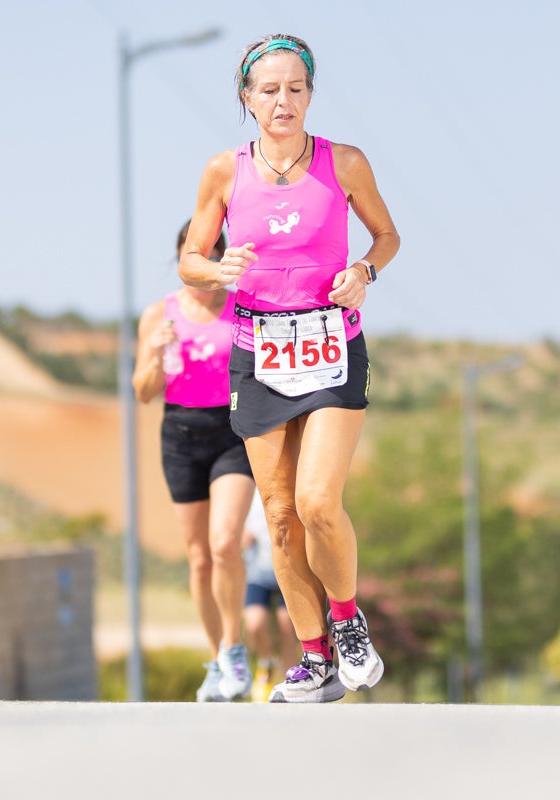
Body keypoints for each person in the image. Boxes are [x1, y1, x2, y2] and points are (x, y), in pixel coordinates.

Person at [179, 34, 400, 703]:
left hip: (332, 345)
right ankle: (314, 662)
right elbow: (191, 256)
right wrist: (217, 270)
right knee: (278, 516)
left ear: (310, 93)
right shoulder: (224, 170)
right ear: (247, 98)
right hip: (260, 352)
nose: (283, 101)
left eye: (295, 88)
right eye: (269, 90)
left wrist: (364, 271)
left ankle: (346, 621)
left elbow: (387, 236)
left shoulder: (346, 162)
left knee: (316, 501)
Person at [132, 221, 256, 702]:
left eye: (211, 253)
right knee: (199, 558)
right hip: (180, 435)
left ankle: (234, 645)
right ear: (182, 258)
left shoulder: (241, 309)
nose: (201, 262)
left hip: (231, 432)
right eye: (193, 252)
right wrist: (155, 354)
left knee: (225, 543)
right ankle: (216, 660)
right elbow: (143, 393)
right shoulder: (157, 315)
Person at [241, 490, 298, 702]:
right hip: (257, 570)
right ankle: (266, 665)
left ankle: (292, 678)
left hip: (288, 567)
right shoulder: (246, 483)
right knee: (254, 624)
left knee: (287, 626)